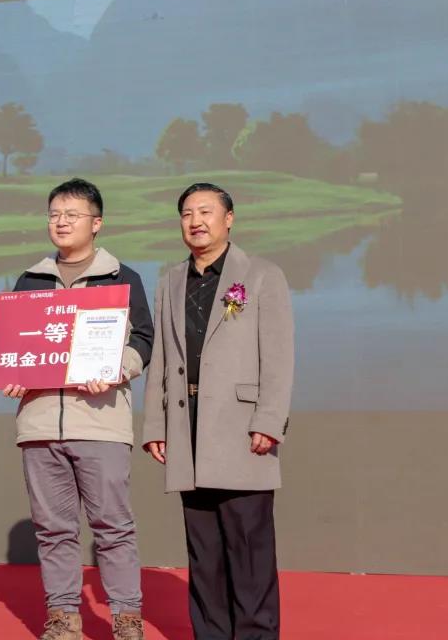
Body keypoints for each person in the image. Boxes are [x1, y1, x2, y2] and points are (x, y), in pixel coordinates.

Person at [1, 178, 153, 640]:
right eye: (54, 214)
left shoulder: (122, 277)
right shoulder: (30, 279)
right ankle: (63, 616)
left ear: (97, 222)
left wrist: (117, 368)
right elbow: (15, 345)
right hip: (40, 423)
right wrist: (12, 372)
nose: (61, 222)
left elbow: (142, 339)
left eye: (72, 214)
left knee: (113, 526)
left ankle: (126, 618)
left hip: (100, 421)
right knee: (53, 530)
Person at [142, 182, 294, 640]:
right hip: (186, 428)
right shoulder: (170, 280)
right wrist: (155, 424)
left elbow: (279, 356)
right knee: (204, 552)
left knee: (248, 551)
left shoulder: (262, 274)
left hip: (242, 428)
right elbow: (162, 360)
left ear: (229, 219)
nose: (196, 221)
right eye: (187, 213)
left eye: (206, 211)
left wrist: (269, 420)